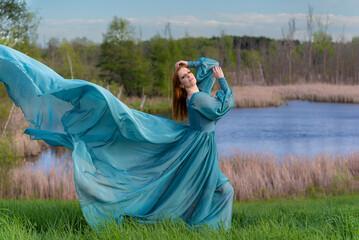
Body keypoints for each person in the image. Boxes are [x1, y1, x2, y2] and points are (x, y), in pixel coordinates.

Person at [0, 44, 235, 230]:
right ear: (181, 86)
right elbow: (225, 106)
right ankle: (210, 228)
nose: (190, 76)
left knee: (217, 190)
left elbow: (211, 64)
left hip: (200, 147)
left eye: (190, 74)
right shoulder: (199, 99)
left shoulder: (199, 94)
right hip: (199, 149)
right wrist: (222, 80)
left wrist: (188, 62)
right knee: (220, 190)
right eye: (184, 77)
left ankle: (210, 227)